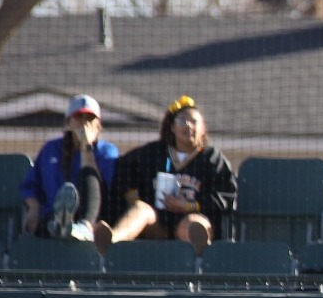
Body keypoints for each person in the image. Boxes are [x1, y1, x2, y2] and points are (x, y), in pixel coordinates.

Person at [99, 95, 236, 255]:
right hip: (157, 224)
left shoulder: (213, 159)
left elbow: (226, 196)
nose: (188, 125)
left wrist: (189, 206)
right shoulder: (153, 153)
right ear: (171, 127)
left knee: (194, 224)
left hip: (190, 222)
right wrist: (133, 197)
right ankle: (111, 242)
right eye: (182, 120)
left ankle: (198, 265)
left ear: (203, 128)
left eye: (194, 121)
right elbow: (124, 170)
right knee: (141, 210)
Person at [20, 95, 115, 242]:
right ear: (68, 122)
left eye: (89, 119)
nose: (84, 124)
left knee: (89, 177)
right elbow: (31, 185)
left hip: (91, 223)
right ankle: (62, 223)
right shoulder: (51, 148)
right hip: (50, 220)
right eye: (78, 117)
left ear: (98, 125)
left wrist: (86, 146)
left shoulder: (107, 151)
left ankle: (82, 226)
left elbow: (105, 186)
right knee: (51, 222)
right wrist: (33, 207)